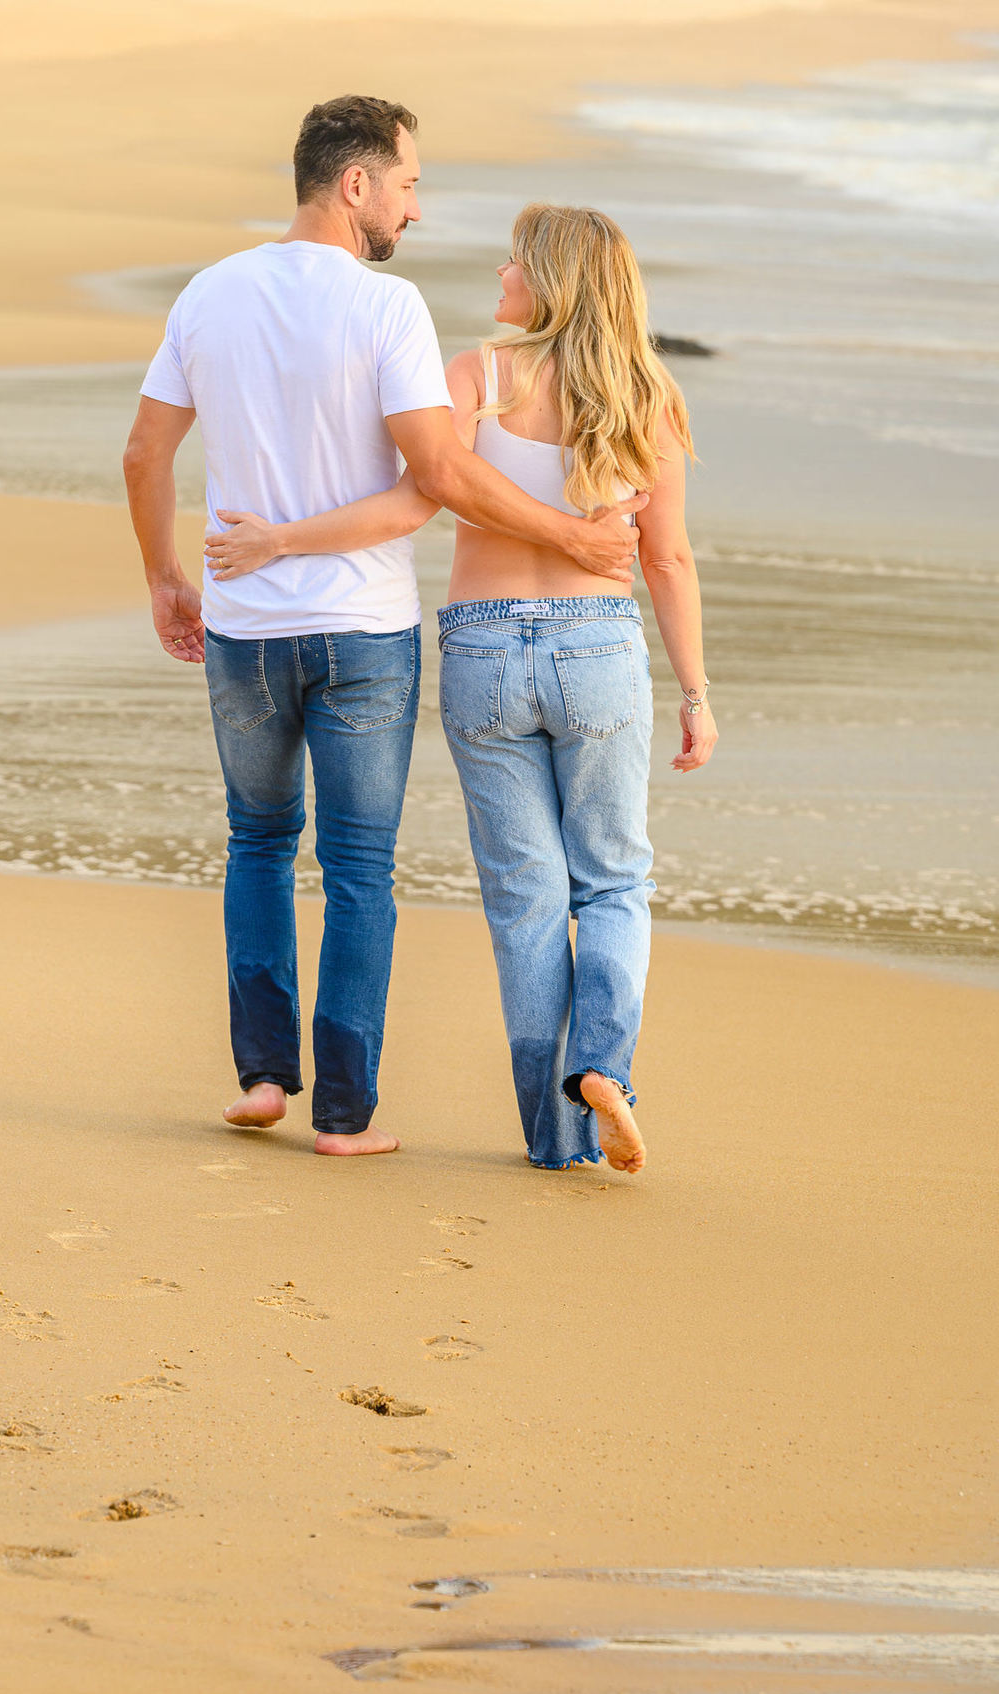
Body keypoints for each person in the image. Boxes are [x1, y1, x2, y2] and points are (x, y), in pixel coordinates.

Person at [123, 102, 641, 1157]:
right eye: (406, 183)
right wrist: (576, 543)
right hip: (362, 629)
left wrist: (167, 580)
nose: (415, 204)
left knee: (259, 843)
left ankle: (265, 1078)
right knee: (359, 865)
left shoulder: (209, 293)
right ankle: (345, 1118)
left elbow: (144, 455)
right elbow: (440, 478)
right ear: (354, 185)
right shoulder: (386, 306)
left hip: (245, 627)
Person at [203, 203, 718, 1172]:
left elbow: (415, 498)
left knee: (525, 897)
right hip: (598, 648)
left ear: (552, 279)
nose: (501, 271)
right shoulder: (651, 395)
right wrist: (695, 692)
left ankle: (553, 1138)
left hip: (482, 650)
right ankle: (603, 1063)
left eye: (516, 261)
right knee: (612, 878)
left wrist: (280, 540)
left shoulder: (479, 376)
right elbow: (671, 558)